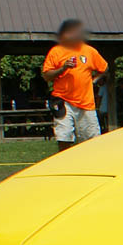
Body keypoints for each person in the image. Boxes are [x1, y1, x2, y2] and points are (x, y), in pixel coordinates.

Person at [42, 18, 109, 150]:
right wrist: (63, 68)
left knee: (91, 141)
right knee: (64, 137)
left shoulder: (90, 51)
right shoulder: (56, 51)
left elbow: (105, 69)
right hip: (63, 101)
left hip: (86, 103)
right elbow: (46, 76)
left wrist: (93, 80)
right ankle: (65, 165)